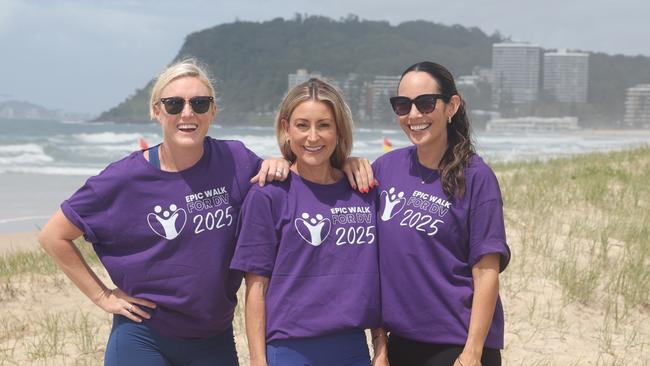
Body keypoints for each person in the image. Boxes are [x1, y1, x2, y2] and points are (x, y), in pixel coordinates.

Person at [37, 59, 292, 365]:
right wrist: (102, 296)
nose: (187, 113)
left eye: (199, 103)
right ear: (157, 111)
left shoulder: (235, 160)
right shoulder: (124, 179)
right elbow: (53, 236)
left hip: (214, 336)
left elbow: (292, 189)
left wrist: (284, 162)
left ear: (212, 111)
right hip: (144, 336)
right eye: (174, 104)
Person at [230, 78, 387, 366]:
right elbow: (255, 287)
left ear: (339, 130)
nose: (313, 137)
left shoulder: (363, 192)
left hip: (353, 347)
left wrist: (381, 347)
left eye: (324, 125)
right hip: (290, 350)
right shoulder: (268, 195)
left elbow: (376, 274)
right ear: (286, 128)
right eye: (302, 125)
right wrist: (257, 360)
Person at [372, 61, 511, 366]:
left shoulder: (476, 176)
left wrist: (473, 352)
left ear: (452, 106)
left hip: (457, 345)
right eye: (402, 105)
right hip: (401, 343)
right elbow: (373, 262)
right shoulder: (385, 168)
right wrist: (380, 344)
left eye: (425, 103)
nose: (414, 115)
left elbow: (486, 271)